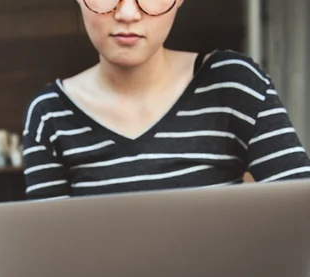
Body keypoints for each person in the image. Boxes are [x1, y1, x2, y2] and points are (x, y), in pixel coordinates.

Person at [22, 0, 310, 200]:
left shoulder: (233, 83)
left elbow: (301, 210)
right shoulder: (50, 114)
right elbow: (52, 254)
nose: (127, 13)